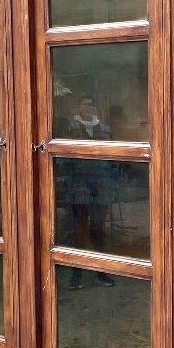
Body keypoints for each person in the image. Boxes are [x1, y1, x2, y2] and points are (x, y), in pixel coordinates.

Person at [64, 96, 117, 289]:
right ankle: (76, 275)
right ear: (79, 107)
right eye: (85, 104)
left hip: (101, 188)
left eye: (92, 104)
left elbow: (113, 158)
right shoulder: (70, 129)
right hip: (79, 188)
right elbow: (64, 158)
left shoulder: (104, 130)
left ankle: (100, 273)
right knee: (78, 232)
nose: (89, 108)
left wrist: (110, 180)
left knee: (99, 230)